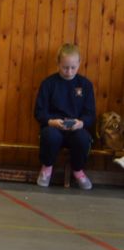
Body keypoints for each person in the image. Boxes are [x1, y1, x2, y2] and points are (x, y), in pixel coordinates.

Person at [34, 43, 96, 190]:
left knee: (83, 139)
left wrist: (81, 123)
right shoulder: (48, 84)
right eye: (65, 67)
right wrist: (51, 121)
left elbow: (90, 113)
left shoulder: (85, 85)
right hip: (54, 126)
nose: (69, 72)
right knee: (50, 136)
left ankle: (78, 170)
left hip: (76, 128)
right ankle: (47, 167)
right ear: (58, 63)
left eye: (73, 67)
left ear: (79, 63)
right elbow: (39, 112)